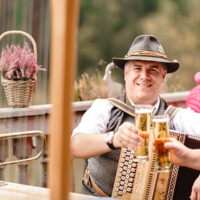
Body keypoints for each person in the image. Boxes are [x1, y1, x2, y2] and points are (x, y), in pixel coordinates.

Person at [71, 35, 200, 199]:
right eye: (137, 68)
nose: (144, 76)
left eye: (153, 69)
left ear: (163, 76)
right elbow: (75, 145)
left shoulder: (179, 117)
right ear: (126, 73)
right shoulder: (105, 107)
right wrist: (114, 139)